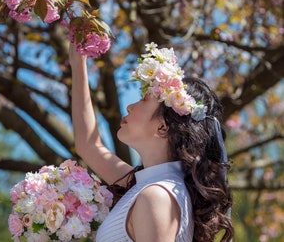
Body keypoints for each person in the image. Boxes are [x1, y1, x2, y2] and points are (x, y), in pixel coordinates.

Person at [69, 42, 234, 242]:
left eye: (144, 99)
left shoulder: (157, 196)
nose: (129, 106)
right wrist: (78, 62)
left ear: (163, 127)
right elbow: (88, 145)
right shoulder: (150, 186)